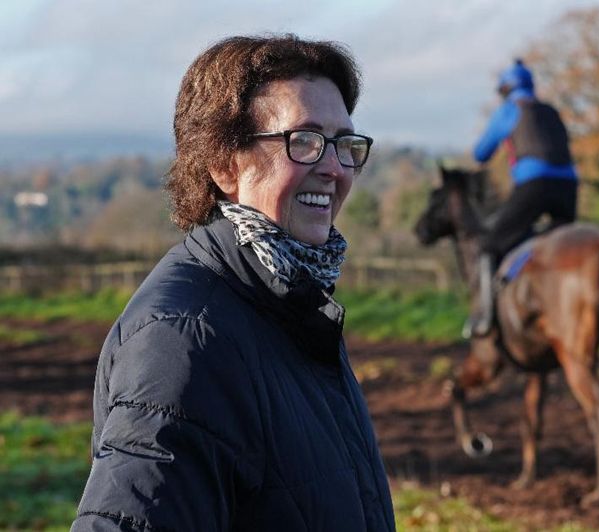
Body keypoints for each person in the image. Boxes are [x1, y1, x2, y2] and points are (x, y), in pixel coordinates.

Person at [71, 35, 395, 531]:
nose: (334, 168)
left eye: (345, 145)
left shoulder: (294, 304)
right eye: (304, 141)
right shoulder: (184, 339)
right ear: (224, 164)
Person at [467, 58, 579, 337]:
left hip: (534, 184)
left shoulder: (509, 110)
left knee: (490, 245)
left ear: (505, 89)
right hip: (569, 187)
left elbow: (481, 153)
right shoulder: (551, 111)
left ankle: (485, 315)